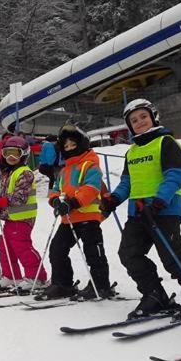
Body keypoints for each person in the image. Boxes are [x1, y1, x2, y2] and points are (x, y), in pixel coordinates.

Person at [100, 99, 181, 320]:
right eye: (134, 120)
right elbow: (126, 183)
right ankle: (154, 294)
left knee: (171, 255)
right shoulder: (132, 152)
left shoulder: (166, 142)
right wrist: (114, 199)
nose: (139, 122)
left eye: (143, 117)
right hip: (138, 212)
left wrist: (159, 202)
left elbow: (174, 176)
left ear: (153, 117)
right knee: (129, 254)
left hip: (164, 210)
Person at [43, 125, 113, 300]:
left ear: (81, 144)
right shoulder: (64, 170)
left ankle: (100, 285)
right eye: (65, 146)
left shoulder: (90, 165)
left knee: (93, 252)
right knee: (57, 249)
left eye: (72, 145)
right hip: (68, 219)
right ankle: (62, 284)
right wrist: (56, 200)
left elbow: (90, 188)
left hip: (89, 217)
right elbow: (55, 189)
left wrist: (73, 202)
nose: (68, 149)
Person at [0, 136, 48, 292]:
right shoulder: (8, 173)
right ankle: (11, 275)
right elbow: (5, 193)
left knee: (22, 247)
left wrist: (0, 202)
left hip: (22, 218)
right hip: (11, 218)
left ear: (24, 155)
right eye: (7, 153)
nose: (11, 157)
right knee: (5, 247)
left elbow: (19, 197)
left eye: (15, 153)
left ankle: (37, 277)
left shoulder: (25, 173)